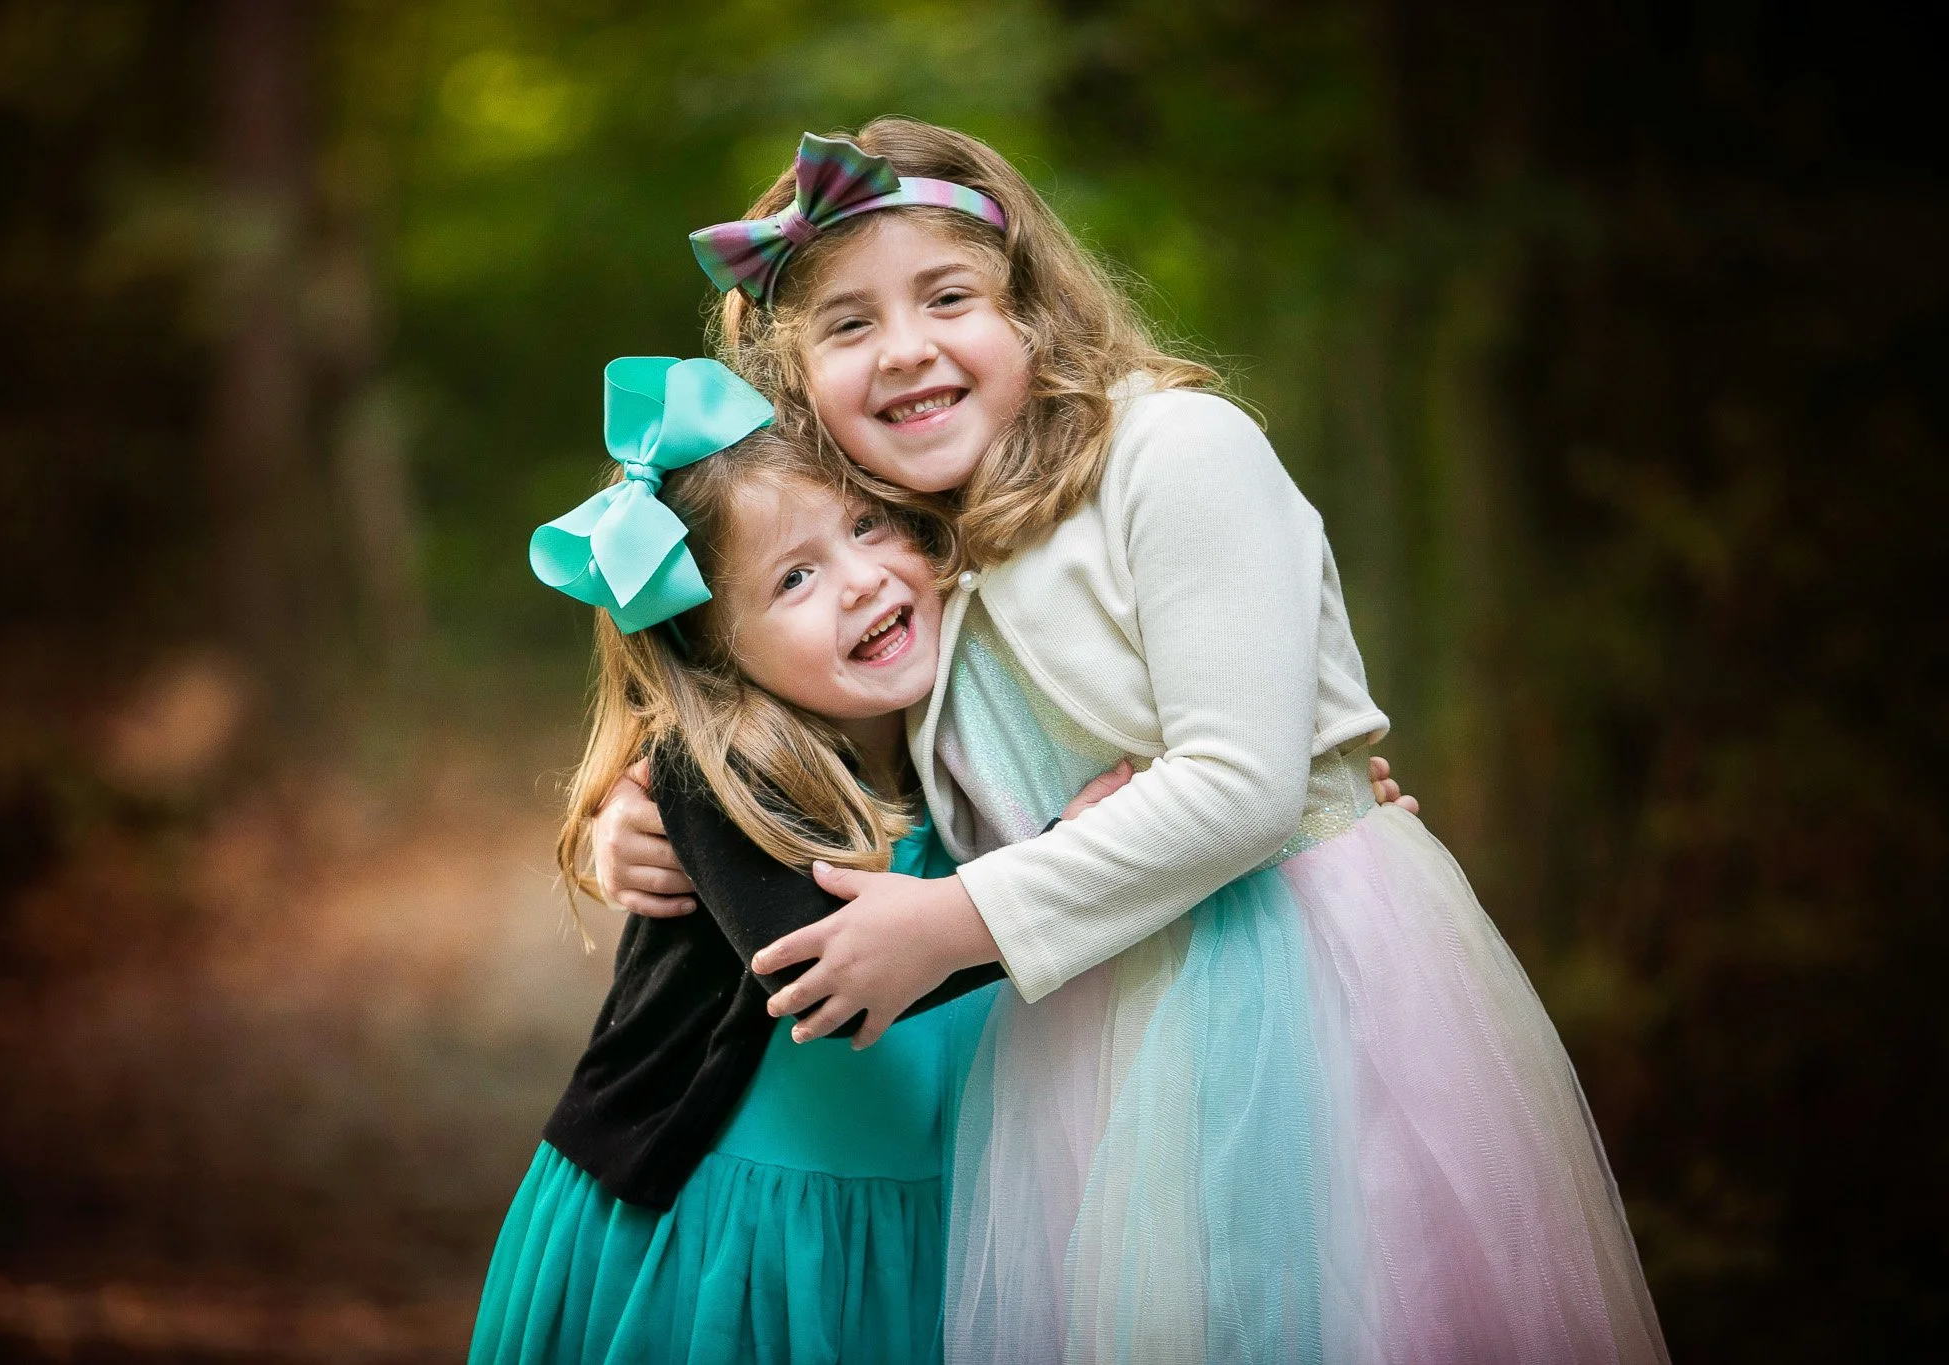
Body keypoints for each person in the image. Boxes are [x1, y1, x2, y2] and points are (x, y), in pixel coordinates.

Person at [602, 122, 1666, 1361]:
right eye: (845, 325)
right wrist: (638, 813)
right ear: (799, 389)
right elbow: (799, 718)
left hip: (1283, 983)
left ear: (1034, 310)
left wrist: (962, 920)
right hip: (1086, 1022)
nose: (903, 348)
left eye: (946, 295)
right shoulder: (915, 535)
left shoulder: (1171, 449)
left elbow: (1242, 785)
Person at [470, 355, 1126, 1365]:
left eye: (867, 524)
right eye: (793, 577)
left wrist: (1303, 820)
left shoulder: (981, 714)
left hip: (939, 1227)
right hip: (723, 1238)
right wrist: (1084, 867)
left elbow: (1189, 786)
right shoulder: (713, 769)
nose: (860, 578)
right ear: (717, 652)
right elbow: (831, 966)